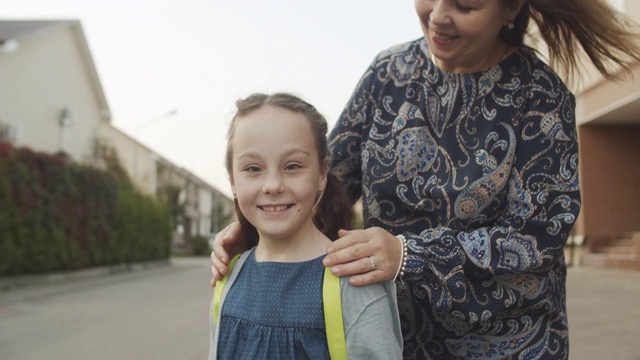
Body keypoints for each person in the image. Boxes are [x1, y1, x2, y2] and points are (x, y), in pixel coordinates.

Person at [212, 1, 640, 358]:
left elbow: (535, 238)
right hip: (392, 334)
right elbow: (323, 175)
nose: (438, 15)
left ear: (509, 9)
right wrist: (256, 224)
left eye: (465, 4)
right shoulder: (387, 74)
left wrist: (407, 254)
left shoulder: (541, 96)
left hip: (506, 344)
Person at [209, 92, 402, 359]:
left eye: (292, 166)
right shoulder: (228, 278)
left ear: (322, 174)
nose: (273, 185)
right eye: (253, 168)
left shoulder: (352, 280)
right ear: (232, 180)